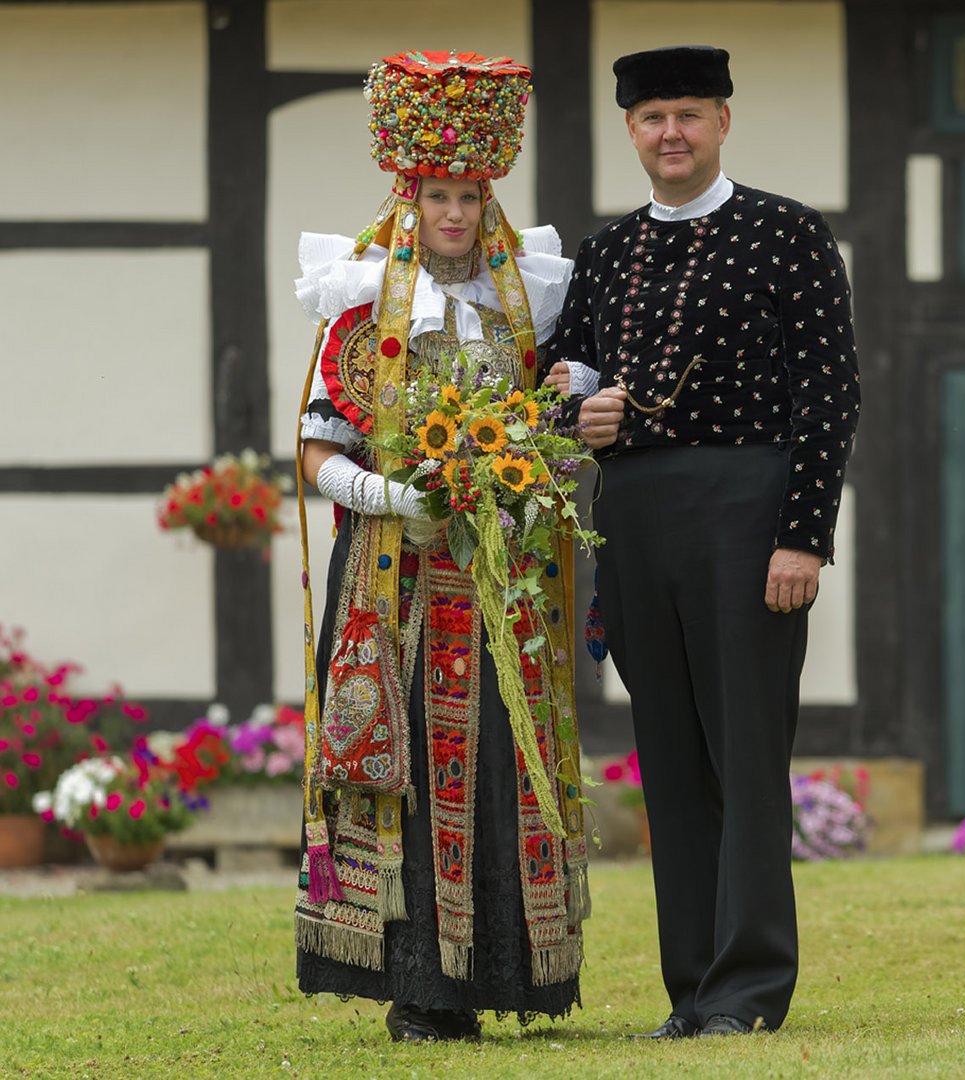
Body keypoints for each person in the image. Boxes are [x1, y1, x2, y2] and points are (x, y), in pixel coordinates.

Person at [546, 45, 860, 1037]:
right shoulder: (604, 252)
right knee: (669, 758)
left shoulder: (786, 234)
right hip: (633, 523)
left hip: (745, 510)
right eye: (651, 118)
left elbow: (830, 392)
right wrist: (573, 411)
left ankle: (751, 986)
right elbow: (556, 384)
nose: (670, 132)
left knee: (745, 753)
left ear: (723, 121)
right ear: (630, 131)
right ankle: (693, 990)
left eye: (688, 113)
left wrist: (802, 537)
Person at [292, 50, 588, 1044]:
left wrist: (524, 482)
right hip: (397, 574)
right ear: (405, 200)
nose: (453, 213)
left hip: (500, 572)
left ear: (486, 200)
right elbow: (315, 451)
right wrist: (391, 494)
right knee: (410, 761)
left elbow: (546, 426)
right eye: (435, 195)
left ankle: (509, 966)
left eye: (468, 195)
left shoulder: (526, 309)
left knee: (503, 756)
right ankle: (421, 985)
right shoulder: (365, 305)